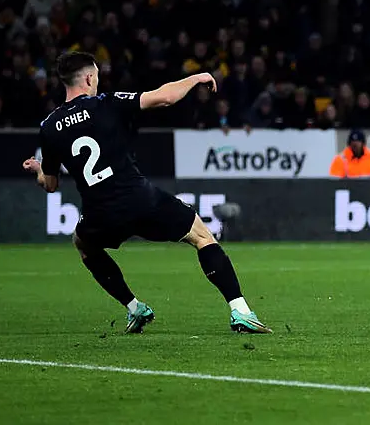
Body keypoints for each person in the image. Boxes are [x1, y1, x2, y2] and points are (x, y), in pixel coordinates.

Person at [22, 51, 271, 334]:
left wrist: (39, 169)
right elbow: (163, 97)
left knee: (83, 243)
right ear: (89, 77)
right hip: (139, 199)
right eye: (97, 78)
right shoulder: (105, 104)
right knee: (201, 236)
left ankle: (134, 308)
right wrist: (196, 77)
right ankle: (240, 311)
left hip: (100, 212)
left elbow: (51, 184)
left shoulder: (50, 126)